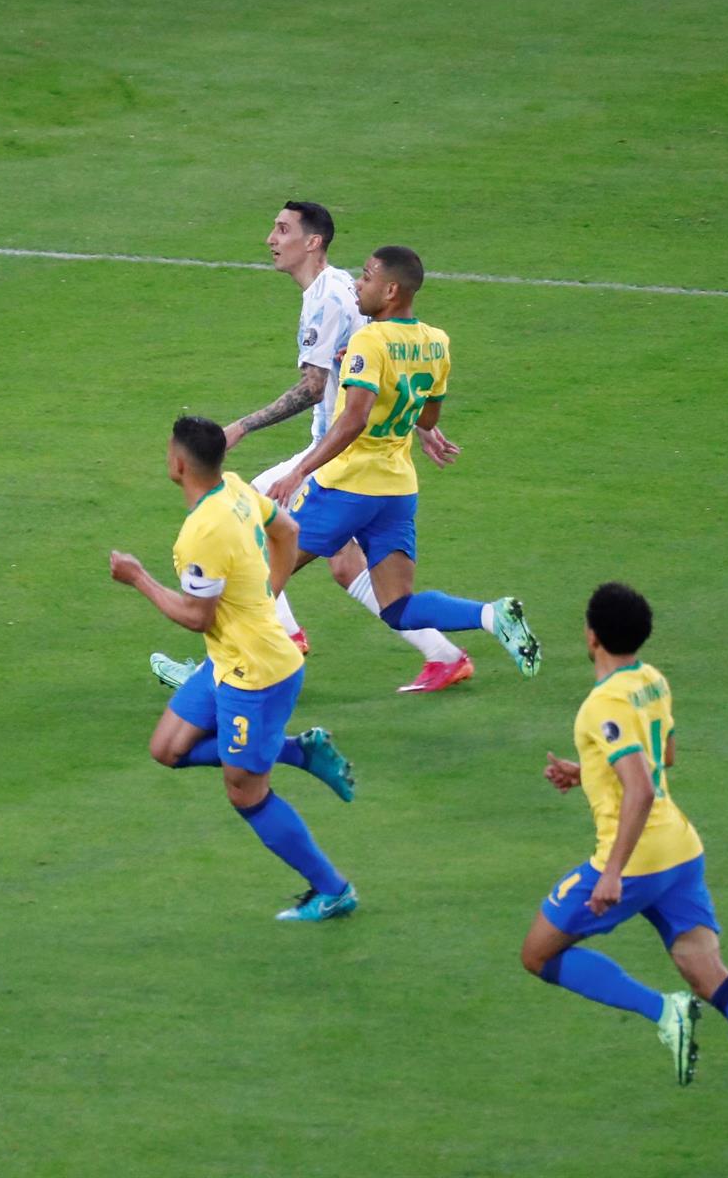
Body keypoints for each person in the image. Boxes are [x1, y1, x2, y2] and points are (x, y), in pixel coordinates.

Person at [519, 583, 728, 1160]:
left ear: (591, 635)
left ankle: (662, 1010)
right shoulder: (652, 681)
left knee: (538, 953)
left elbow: (637, 786)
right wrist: (586, 771)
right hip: (681, 851)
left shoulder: (600, 705)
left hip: (635, 861)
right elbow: (663, 758)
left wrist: (611, 873)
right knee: (711, 973)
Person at [153, 202, 472, 695]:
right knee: (347, 566)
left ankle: (245, 657)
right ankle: (444, 654)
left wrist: (241, 427)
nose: (270, 239)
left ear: (313, 242)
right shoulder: (346, 284)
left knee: (251, 528)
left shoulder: (326, 299)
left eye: (282, 230)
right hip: (369, 454)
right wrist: (415, 425)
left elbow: (312, 387)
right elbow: (383, 360)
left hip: (340, 455)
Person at [110, 415, 359, 922]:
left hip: (259, 674)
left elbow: (194, 615)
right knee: (167, 749)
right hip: (229, 658)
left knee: (245, 790)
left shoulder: (199, 533)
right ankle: (297, 751)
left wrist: (138, 578)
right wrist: (270, 590)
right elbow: (287, 530)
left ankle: (333, 890)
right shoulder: (235, 488)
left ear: (178, 464)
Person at [262, 244, 541, 676]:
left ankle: (215, 678)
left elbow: (352, 421)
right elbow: (427, 416)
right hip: (396, 490)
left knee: (258, 575)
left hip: (345, 486)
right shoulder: (436, 342)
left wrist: (299, 471)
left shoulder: (368, 341)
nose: (359, 283)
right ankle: (491, 615)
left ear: (391, 290)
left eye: (368, 276)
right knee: (397, 607)